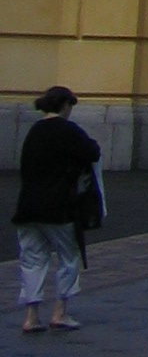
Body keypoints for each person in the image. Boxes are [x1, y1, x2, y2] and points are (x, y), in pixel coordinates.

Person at [12, 86, 100, 335]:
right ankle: (60, 312)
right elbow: (93, 151)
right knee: (68, 256)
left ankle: (31, 316)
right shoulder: (67, 130)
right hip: (58, 207)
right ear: (65, 106)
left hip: (27, 207)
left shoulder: (34, 131)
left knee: (32, 259)